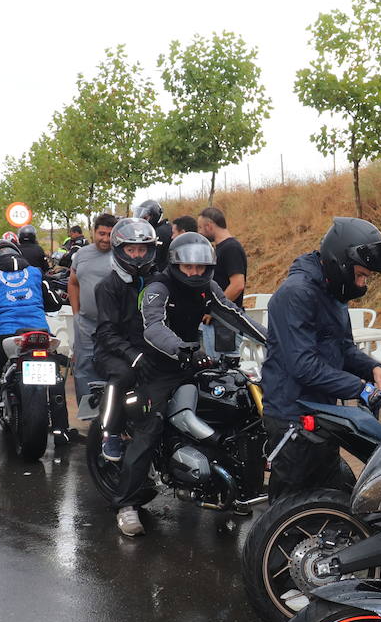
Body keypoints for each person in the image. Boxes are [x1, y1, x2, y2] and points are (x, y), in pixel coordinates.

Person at [100, 230, 264, 536]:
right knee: (150, 428)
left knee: (231, 406)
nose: (195, 272)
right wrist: (182, 349)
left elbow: (234, 315)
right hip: (159, 367)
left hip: (193, 362)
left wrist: (273, 340)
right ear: (175, 265)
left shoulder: (208, 288)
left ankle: (232, 485)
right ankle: (126, 505)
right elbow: (153, 328)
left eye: (200, 267)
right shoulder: (157, 287)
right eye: (189, 267)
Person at [260, 217, 381, 499]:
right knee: (288, 510)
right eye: (360, 275)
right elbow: (303, 366)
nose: (362, 283)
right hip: (292, 416)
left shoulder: (334, 292)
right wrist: (361, 389)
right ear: (340, 263)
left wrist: (373, 369)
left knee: (325, 499)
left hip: (323, 411)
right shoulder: (296, 294)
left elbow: (343, 348)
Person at [0, 238, 70, 453]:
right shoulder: (36, 273)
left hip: (6, 335)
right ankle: (61, 432)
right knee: (56, 377)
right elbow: (54, 302)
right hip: (40, 333)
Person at [92, 218, 160, 465]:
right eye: (131, 250)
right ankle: (109, 432)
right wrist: (132, 355)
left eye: (142, 250)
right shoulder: (108, 286)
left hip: (147, 349)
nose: (138, 255)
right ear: (120, 250)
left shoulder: (156, 282)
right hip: (113, 351)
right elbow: (106, 332)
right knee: (123, 376)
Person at [67, 213, 117, 418]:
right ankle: (90, 418)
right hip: (86, 324)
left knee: (114, 369)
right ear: (93, 232)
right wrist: (76, 314)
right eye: (101, 233)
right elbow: (73, 282)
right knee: (84, 369)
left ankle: (112, 417)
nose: (105, 239)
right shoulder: (81, 255)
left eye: (110, 235)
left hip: (114, 326)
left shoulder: (122, 254)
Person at [198, 206, 248, 356]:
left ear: (209, 226)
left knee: (225, 374)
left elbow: (237, 284)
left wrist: (215, 310)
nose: (199, 232)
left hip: (225, 325)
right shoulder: (219, 248)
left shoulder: (231, 248)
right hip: (216, 324)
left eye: (200, 227)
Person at [134, 200, 173, 270]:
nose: (141, 221)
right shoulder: (162, 227)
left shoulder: (161, 232)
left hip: (162, 272)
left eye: (145, 218)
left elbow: (152, 258)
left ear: (154, 216)